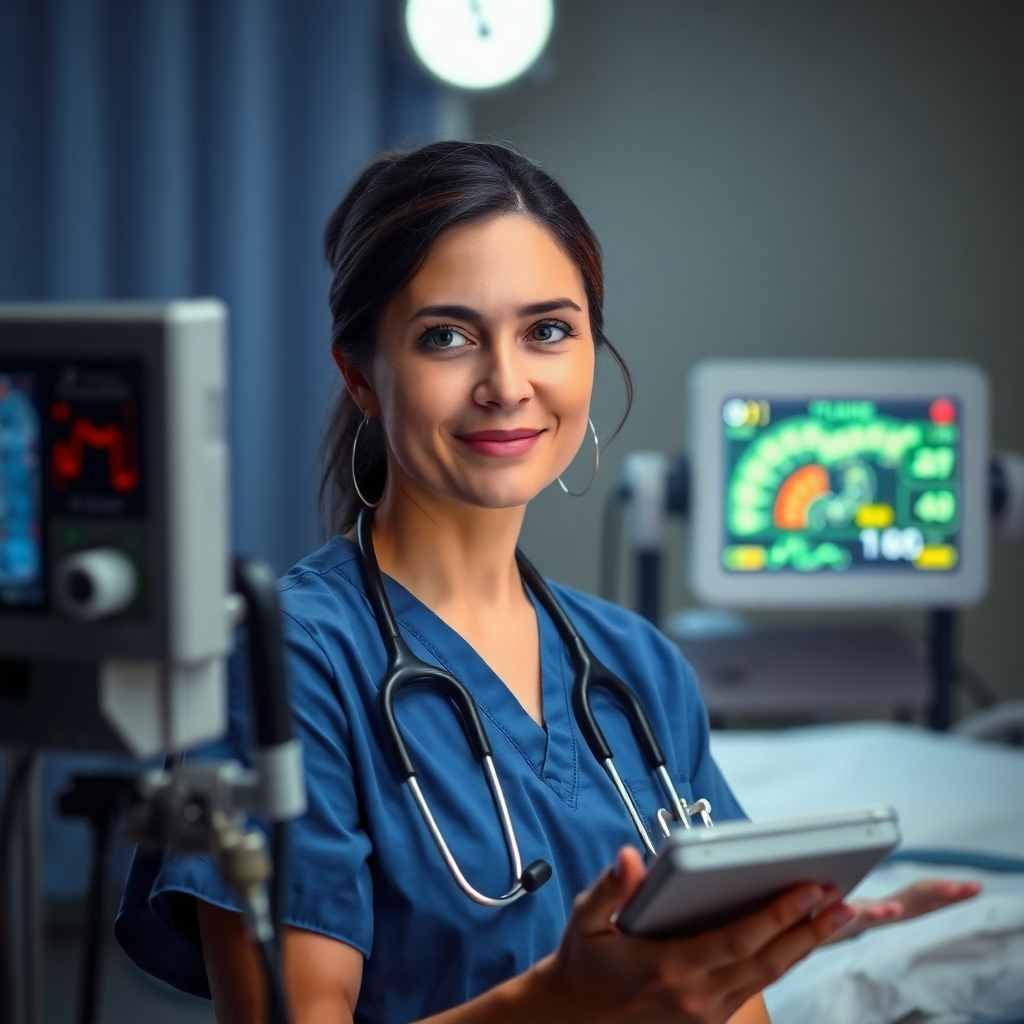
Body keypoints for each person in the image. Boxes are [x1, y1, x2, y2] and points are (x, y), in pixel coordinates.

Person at [115, 141, 978, 1024]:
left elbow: (732, 1008)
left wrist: (771, 941)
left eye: (548, 331)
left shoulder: (638, 669)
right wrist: (564, 1001)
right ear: (361, 375)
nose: (507, 383)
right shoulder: (284, 660)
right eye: (446, 337)